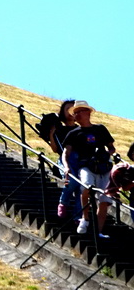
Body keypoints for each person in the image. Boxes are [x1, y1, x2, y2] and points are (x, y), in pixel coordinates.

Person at [61, 100, 116, 237]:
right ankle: (85, 218)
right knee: (86, 187)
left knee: (104, 200)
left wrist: (106, 154)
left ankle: (98, 232)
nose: (77, 115)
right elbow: (65, 153)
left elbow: (112, 147)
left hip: (103, 168)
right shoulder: (73, 134)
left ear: (88, 112)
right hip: (86, 166)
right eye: (75, 113)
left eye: (80, 111)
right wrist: (66, 167)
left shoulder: (100, 129)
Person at [48, 99, 81, 220]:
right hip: (65, 159)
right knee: (72, 182)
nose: (70, 112)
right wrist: (51, 135)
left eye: (73, 109)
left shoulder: (80, 130)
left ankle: (78, 216)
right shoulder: (60, 129)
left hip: (80, 160)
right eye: (67, 109)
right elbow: (55, 149)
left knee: (81, 188)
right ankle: (63, 202)